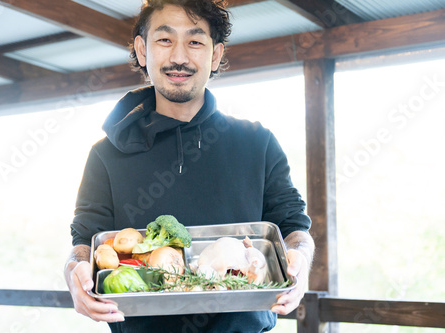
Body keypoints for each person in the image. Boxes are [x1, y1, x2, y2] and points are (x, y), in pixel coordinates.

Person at [64, 0, 315, 332]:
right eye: (165, 40)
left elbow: (295, 229)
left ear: (215, 54)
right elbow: (84, 241)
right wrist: (74, 273)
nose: (179, 57)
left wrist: (301, 264)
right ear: (142, 50)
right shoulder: (105, 155)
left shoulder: (258, 142)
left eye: (195, 41)